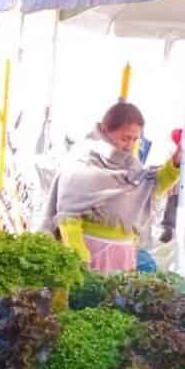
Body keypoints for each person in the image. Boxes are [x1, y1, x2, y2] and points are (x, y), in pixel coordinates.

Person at [43, 102, 181, 272]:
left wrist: (175, 162)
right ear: (105, 130)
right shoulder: (82, 165)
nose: (129, 145)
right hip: (90, 255)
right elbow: (68, 217)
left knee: (117, 298)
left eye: (134, 139)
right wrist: (79, 257)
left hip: (123, 257)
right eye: (124, 138)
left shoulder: (132, 167)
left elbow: (153, 187)